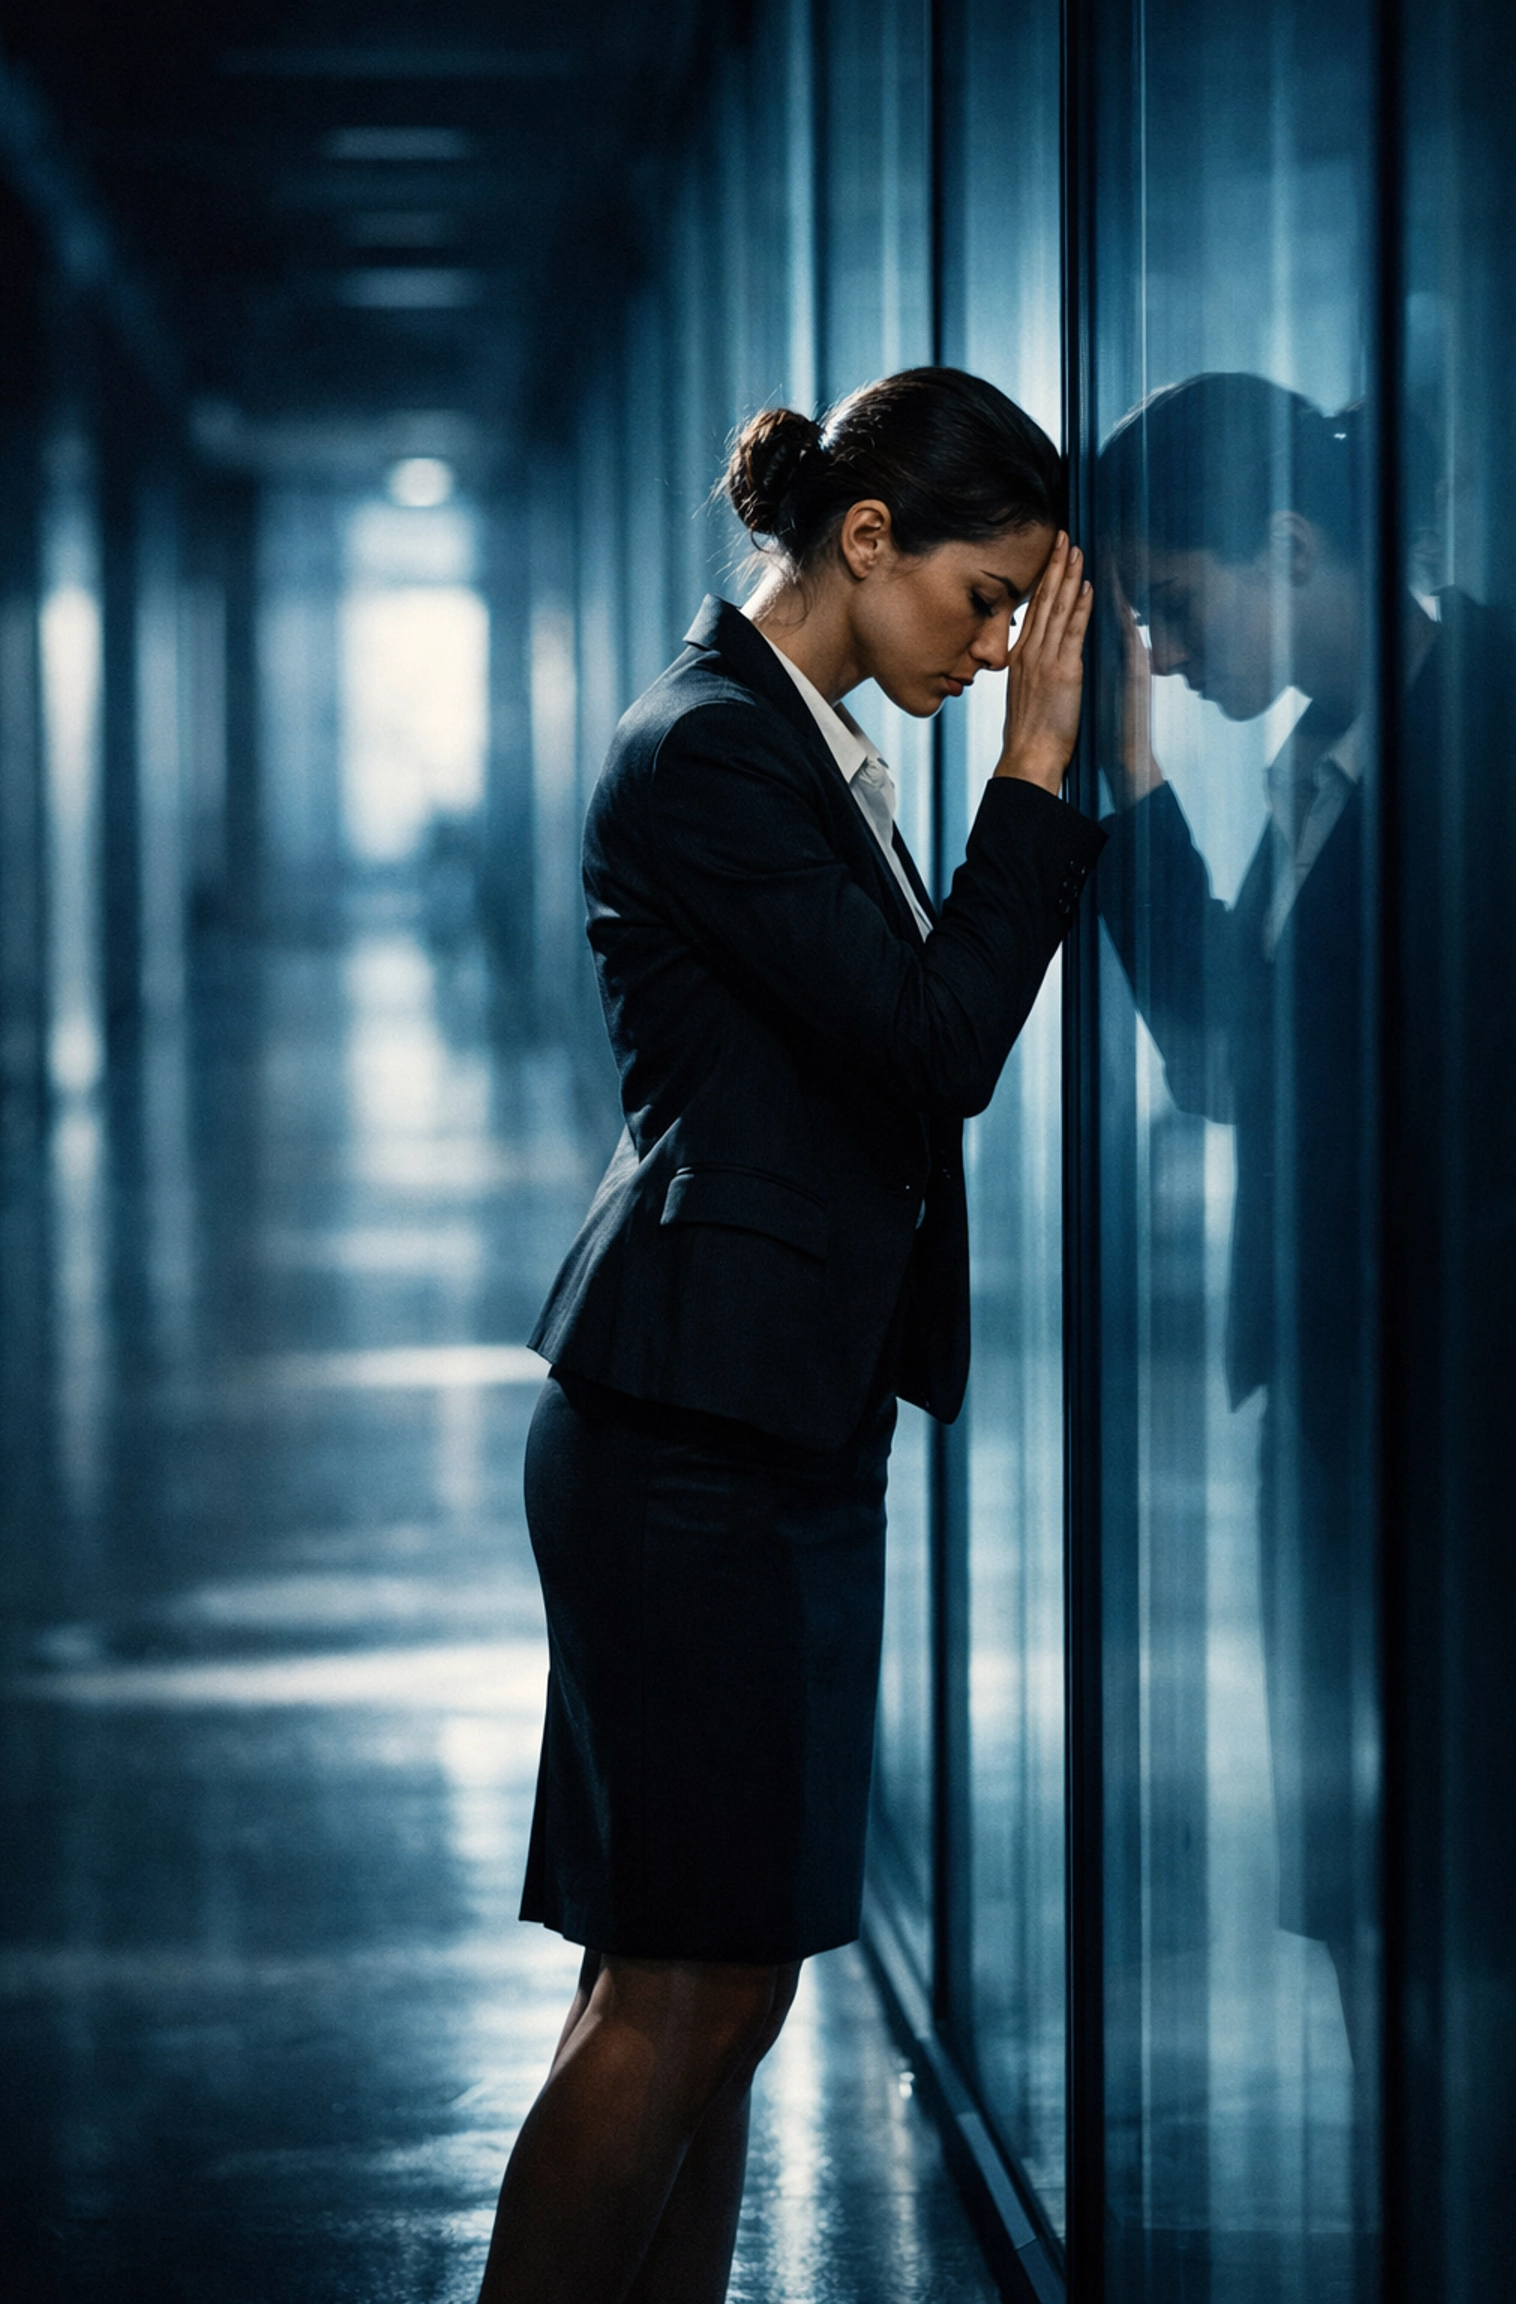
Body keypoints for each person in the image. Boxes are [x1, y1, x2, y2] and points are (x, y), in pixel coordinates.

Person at [475, 366, 1102, 2304]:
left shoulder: (788, 739)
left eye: (1023, 617)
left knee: (722, 1990)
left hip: (765, 1428)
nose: (997, 649)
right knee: (676, 1989)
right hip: (691, 1445)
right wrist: (1042, 772)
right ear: (863, 541)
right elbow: (933, 1049)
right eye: (981, 600)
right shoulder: (710, 751)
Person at [1095, 370, 1500, 2077]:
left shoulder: (1481, 732)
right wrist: (1125, 785)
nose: (1167, 655)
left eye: (1172, 608)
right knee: (1354, 1886)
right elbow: (1236, 1070)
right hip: (1343, 1422)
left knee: (1459, 1887)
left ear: (1289, 542)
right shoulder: (1320, 764)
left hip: (1465, 1427)